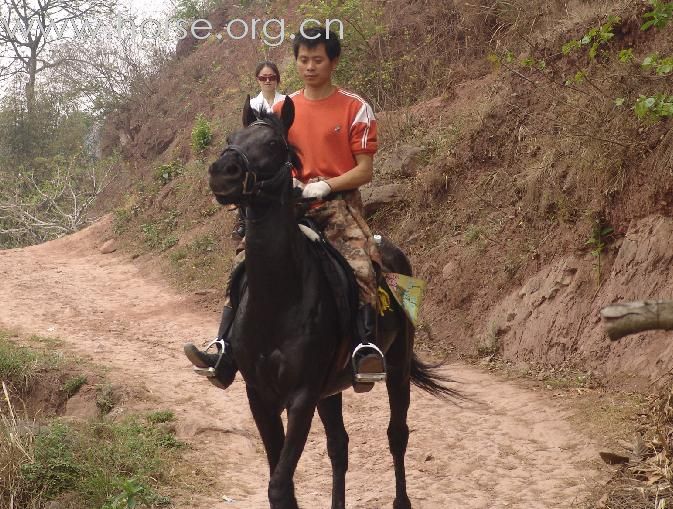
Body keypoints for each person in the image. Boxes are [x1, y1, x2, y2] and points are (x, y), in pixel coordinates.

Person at [184, 27, 385, 391]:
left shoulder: (356, 107)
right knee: (244, 263)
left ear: (333, 62)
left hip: (337, 207)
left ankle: (364, 346)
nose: (309, 67)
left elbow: (365, 169)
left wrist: (326, 183)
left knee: (361, 264)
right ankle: (225, 348)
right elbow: (268, 158)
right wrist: (286, 184)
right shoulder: (280, 109)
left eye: (318, 60)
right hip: (288, 206)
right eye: (303, 60)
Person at [231, 62, 286, 240]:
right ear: (258, 80)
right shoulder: (252, 104)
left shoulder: (286, 101)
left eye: (271, 77)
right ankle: (242, 220)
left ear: (277, 79)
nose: (268, 81)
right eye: (264, 78)